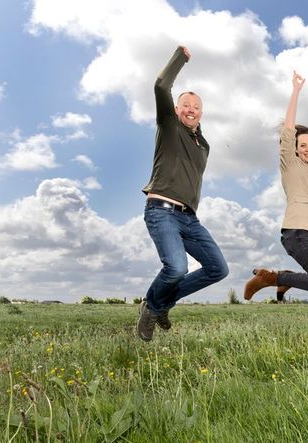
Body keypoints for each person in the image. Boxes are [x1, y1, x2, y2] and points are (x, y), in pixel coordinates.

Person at [138, 46, 229, 341]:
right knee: (176, 267)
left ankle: (163, 302)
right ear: (176, 110)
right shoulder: (168, 126)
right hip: (161, 210)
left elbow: (197, 142)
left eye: (196, 107)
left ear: (201, 114)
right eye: (186, 105)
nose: (191, 109)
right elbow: (161, 85)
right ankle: (152, 307)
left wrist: (198, 131)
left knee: (218, 268)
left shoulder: (204, 145)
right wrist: (181, 57)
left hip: (190, 219)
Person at [243, 72, 308, 302]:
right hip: (298, 233)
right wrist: (296, 92)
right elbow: (288, 132)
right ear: (296, 148)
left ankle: (287, 278)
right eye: (304, 145)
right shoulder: (291, 165)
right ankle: (271, 277)